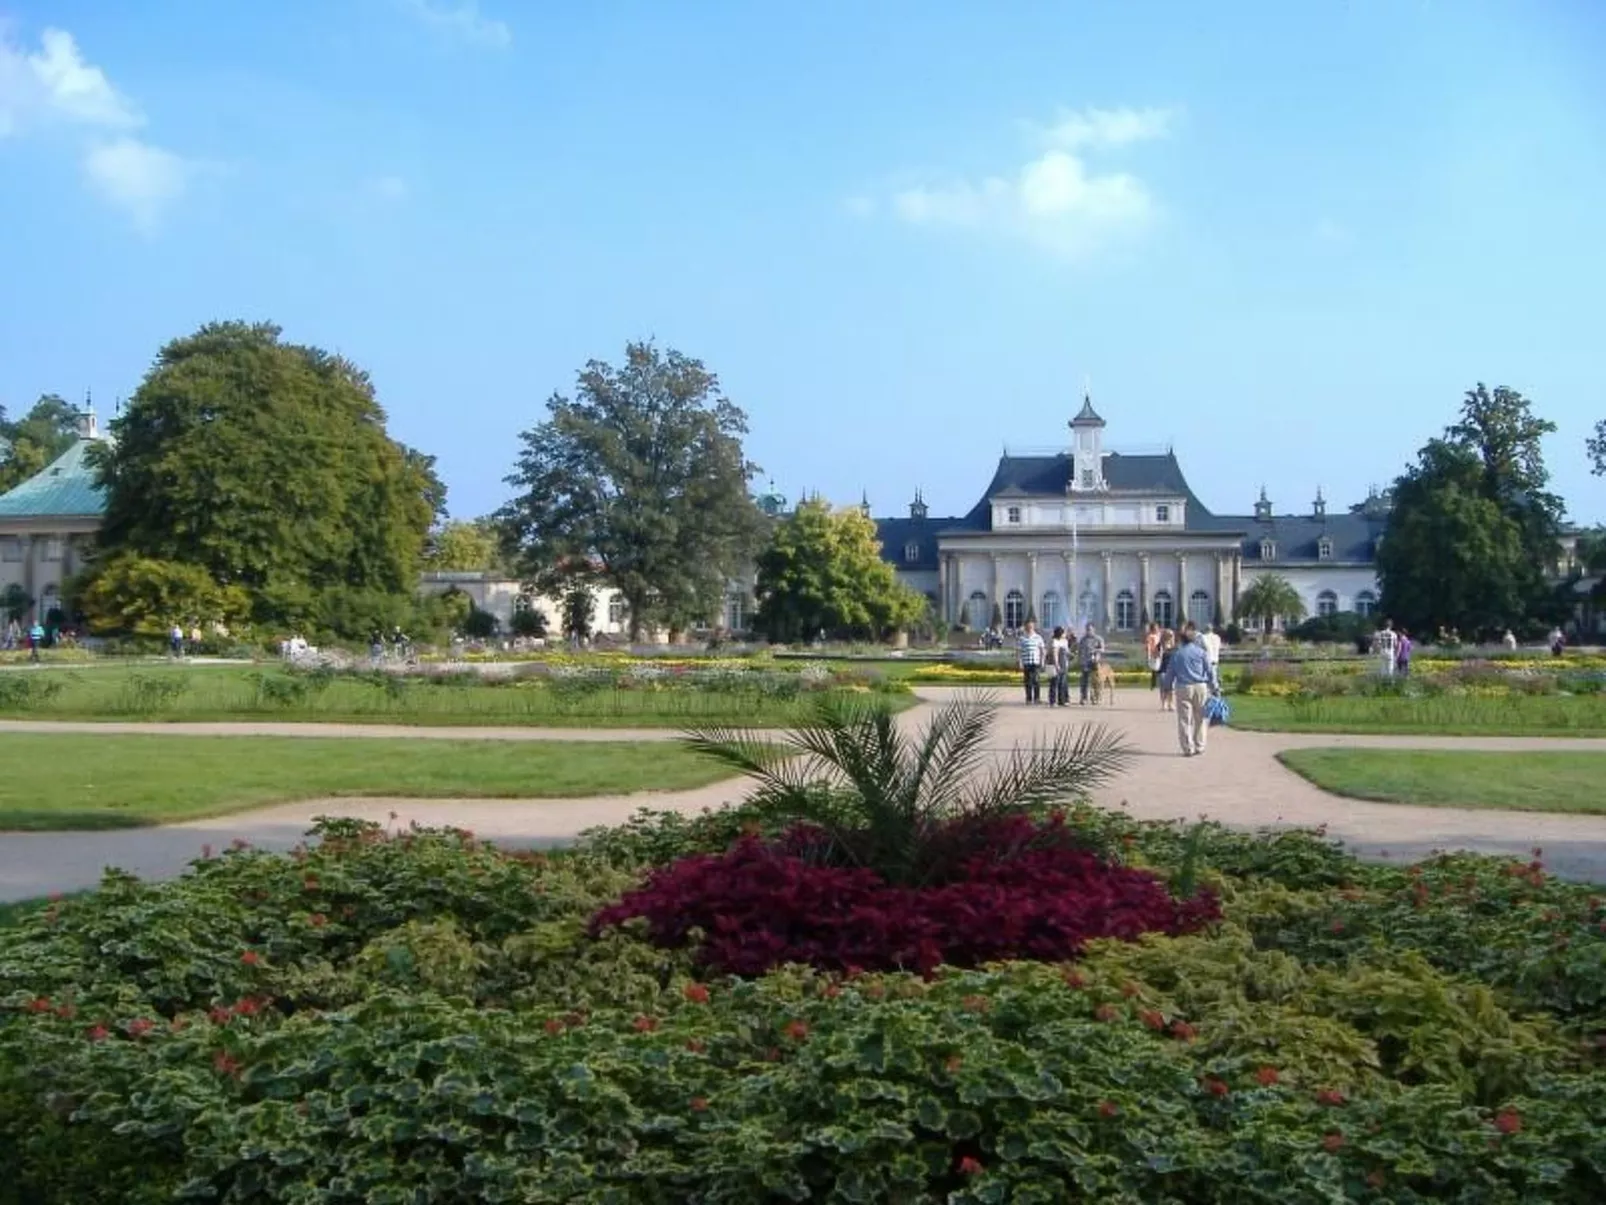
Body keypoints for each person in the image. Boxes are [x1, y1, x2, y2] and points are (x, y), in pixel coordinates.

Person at [1161, 622, 1222, 757]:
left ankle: (1188, 747)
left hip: (1183, 687)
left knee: (1184, 719)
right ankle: (1199, 745)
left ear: (1181, 640)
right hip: (1200, 686)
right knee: (1200, 718)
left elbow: (1170, 673)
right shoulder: (1201, 652)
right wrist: (1215, 687)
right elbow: (1210, 671)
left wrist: (1167, 687)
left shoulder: (1177, 654)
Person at [1016, 619, 1045, 705]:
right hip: (1026, 662)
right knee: (1027, 681)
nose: (1030, 628)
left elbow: (1042, 650)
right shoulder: (1022, 638)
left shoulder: (1038, 637)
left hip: (1036, 662)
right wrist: (1019, 662)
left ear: (1034, 627)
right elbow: (1019, 651)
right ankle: (1028, 698)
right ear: (1026, 627)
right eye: (1028, 626)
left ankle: (1037, 698)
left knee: (1036, 680)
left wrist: (1042, 661)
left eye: (1031, 626)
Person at [1077, 621, 1105, 705]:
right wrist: (1080, 661)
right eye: (1087, 629)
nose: (1088, 631)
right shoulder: (1083, 639)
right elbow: (1080, 651)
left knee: (1096, 681)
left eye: (1090, 629)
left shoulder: (1098, 639)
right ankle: (1084, 698)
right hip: (1085, 663)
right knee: (1084, 681)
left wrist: (1095, 650)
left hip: (1095, 663)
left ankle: (1096, 698)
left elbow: (1102, 649)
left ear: (1094, 629)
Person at [1048, 625, 1071, 707]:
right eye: (1063, 633)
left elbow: (1067, 652)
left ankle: (1062, 700)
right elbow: (1055, 654)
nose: (1065, 634)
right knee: (1054, 683)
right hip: (1057, 664)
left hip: (1064, 664)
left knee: (1063, 683)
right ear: (1060, 634)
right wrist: (1057, 665)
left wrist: (1071, 655)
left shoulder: (1065, 641)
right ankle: (1053, 701)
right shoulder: (1054, 641)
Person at [1157, 628, 1178, 710]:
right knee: (1163, 687)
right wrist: (1160, 652)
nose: (1170, 637)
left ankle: (1171, 703)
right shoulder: (1160, 646)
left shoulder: (1174, 647)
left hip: (1172, 669)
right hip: (1163, 668)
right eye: (1168, 635)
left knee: (1171, 688)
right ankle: (1164, 703)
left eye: (1171, 635)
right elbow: (1155, 655)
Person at [1144, 621, 1162, 690]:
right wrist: (1149, 654)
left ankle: (1157, 683)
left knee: (1158, 668)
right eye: (1155, 628)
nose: (1157, 629)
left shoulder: (1158, 635)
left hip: (1159, 653)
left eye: (1157, 628)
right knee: (1155, 669)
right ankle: (1153, 684)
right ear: (1152, 629)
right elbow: (1148, 646)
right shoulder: (1151, 636)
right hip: (1154, 654)